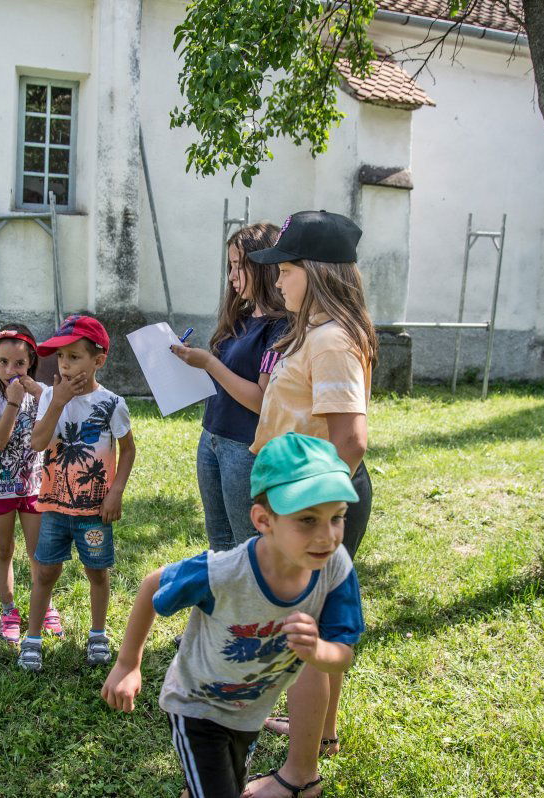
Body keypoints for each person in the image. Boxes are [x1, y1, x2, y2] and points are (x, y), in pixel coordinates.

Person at [101, 433, 364, 798]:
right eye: (307, 519)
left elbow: (343, 653)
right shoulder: (223, 573)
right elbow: (152, 585)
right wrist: (128, 664)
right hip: (197, 707)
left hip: (250, 711)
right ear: (263, 520)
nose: (326, 536)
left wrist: (318, 651)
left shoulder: (335, 570)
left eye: (337, 517)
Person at [245, 210, 377, 792]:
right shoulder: (319, 332)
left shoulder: (330, 340)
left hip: (318, 502)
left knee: (301, 636)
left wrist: (309, 519)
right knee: (314, 629)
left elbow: (349, 438)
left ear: (317, 273)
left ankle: (299, 776)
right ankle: (320, 731)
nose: (278, 281)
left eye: (288, 270)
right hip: (312, 501)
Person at [20, 315, 135, 671]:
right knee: (45, 572)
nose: (66, 365)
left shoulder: (112, 403)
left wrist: (115, 492)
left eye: (74, 357)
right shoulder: (51, 397)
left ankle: (98, 634)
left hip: (94, 511)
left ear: (98, 360)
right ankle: (33, 636)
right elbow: (38, 442)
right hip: (54, 506)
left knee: (97, 572)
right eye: (61, 358)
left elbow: (128, 449)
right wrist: (57, 402)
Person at [170, 223, 288, 552]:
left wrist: (209, 363)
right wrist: (189, 363)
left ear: (264, 267)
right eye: (230, 266)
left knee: (248, 548)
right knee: (219, 544)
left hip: (245, 447)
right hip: (212, 438)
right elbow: (223, 379)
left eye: (240, 265)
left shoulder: (281, 327)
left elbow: (263, 401)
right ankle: (225, 603)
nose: (233, 276)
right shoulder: (241, 317)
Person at [0, 324, 63, 644]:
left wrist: (45, 398)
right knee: (4, 548)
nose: (12, 370)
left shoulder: (40, 391)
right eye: (4, 362)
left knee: (39, 552)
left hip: (34, 485)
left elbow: (60, 429)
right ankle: (9, 608)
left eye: (20, 364)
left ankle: (45, 605)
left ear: (31, 364)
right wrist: (12, 403)